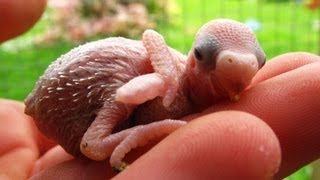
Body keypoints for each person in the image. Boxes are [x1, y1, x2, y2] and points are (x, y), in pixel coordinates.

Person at [1, 1, 319, 179]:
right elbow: (149, 42)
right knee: (126, 76)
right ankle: (97, 140)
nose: (235, 85)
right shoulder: (169, 82)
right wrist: (164, 80)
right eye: (207, 61)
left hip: (56, 110)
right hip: (70, 108)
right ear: (194, 62)